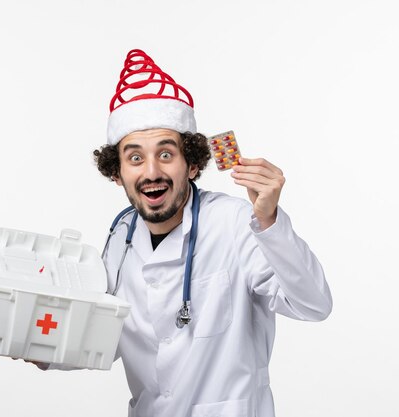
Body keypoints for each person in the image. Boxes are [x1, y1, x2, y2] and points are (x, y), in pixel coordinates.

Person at [50, 49, 333, 417]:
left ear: (194, 164)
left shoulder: (234, 223)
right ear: (117, 173)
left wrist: (269, 222)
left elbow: (314, 304)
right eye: (135, 158)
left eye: (166, 154)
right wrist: (39, 345)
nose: (151, 171)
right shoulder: (120, 238)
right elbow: (104, 338)